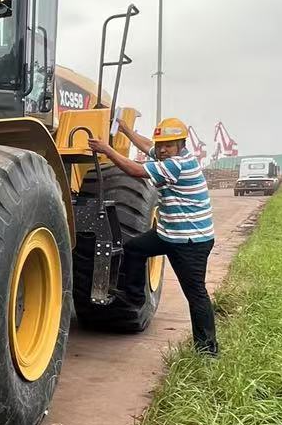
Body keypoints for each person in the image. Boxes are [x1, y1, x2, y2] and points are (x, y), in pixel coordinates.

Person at [87, 116, 218, 356]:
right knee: (135, 249)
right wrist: (126, 130)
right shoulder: (166, 155)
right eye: (161, 145)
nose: (163, 149)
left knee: (195, 293)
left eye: (169, 145)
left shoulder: (177, 164)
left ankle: (207, 350)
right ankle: (135, 297)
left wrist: (107, 150)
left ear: (181, 144)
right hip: (169, 234)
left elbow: (135, 170)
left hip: (191, 241)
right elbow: (146, 145)